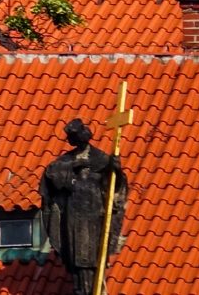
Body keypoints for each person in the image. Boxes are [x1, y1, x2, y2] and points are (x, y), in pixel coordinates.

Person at [38, 118, 127, 287]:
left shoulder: (101, 159)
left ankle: (95, 287)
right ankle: (84, 288)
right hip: (74, 216)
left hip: (94, 216)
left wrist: (116, 170)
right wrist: (72, 171)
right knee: (78, 259)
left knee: (92, 258)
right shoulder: (65, 161)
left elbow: (114, 188)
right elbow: (51, 175)